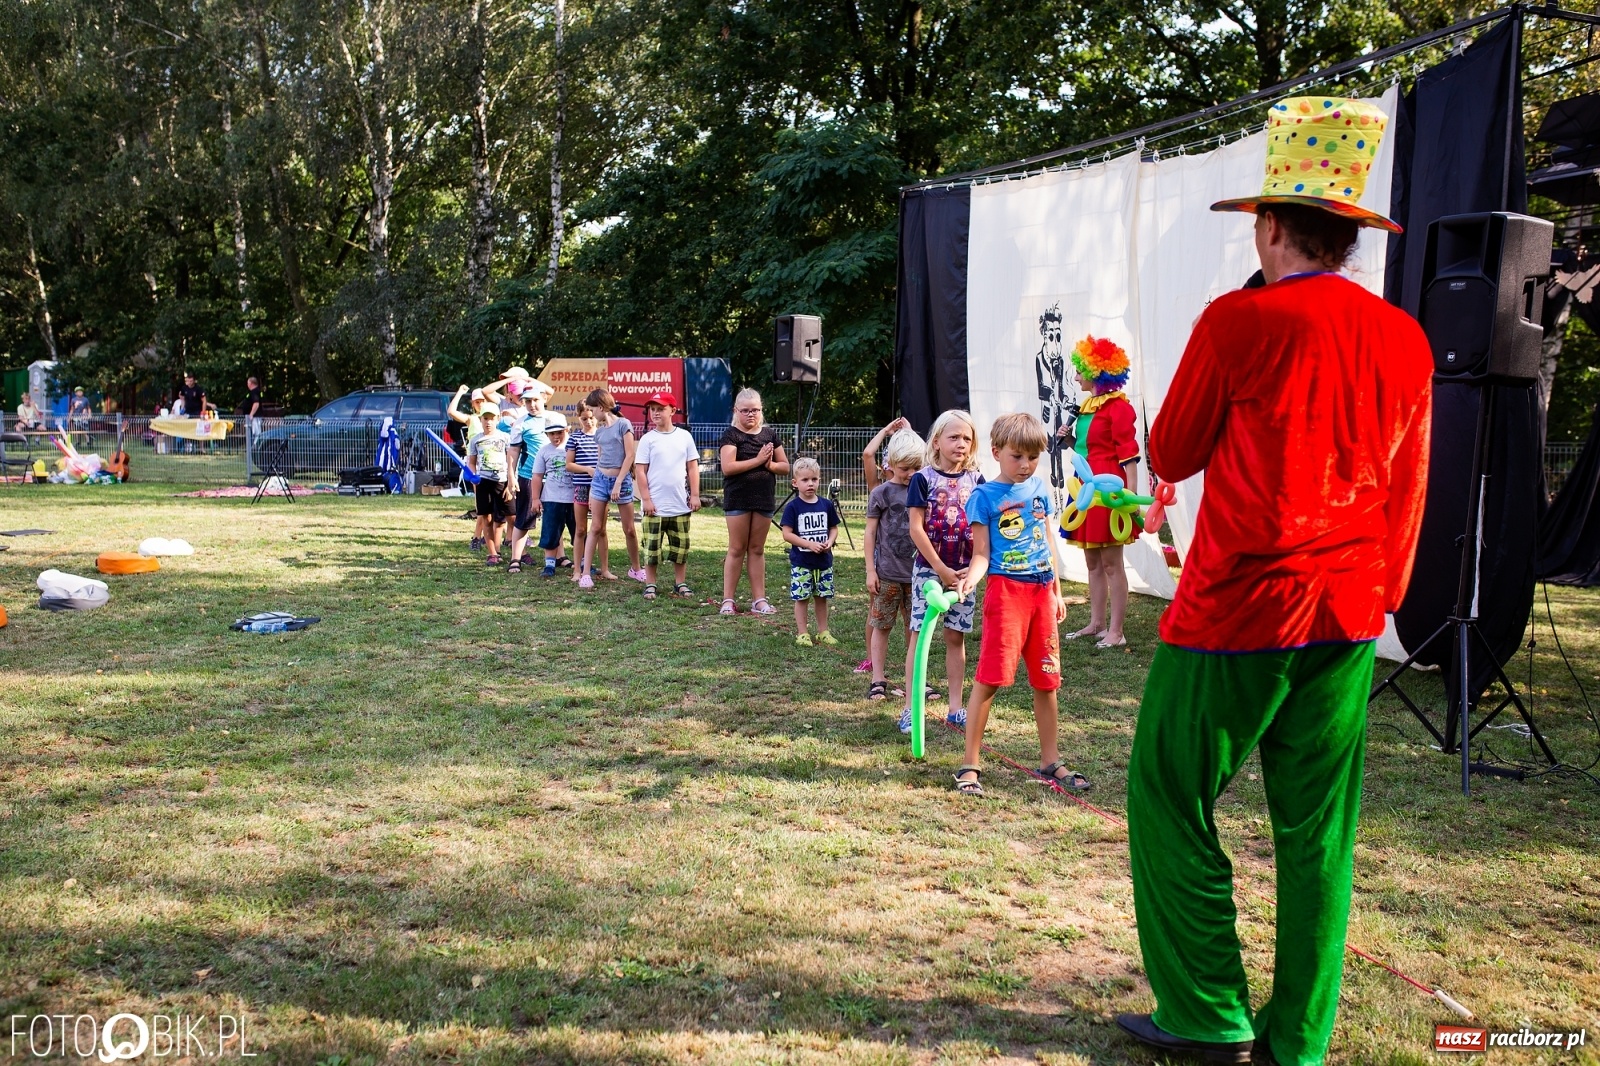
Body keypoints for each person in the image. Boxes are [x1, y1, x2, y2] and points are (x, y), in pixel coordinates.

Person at [1116, 97, 1433, 1066]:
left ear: (1267, 226)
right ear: (1345, 236)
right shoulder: (1405, 338)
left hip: (1236, 608)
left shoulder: (1236, 320)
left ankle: (1208, 1012)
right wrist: (1381, 593)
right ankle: (1296, 1041)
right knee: (1316, 832)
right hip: (1346, 610)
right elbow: (1408, 489)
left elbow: (1170, 447)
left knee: (1167, 793)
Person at [953, 412, 1087, 796]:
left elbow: (1046, 541)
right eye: (1017, 457)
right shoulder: (983, 497)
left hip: (1042, 593)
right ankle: (970, 765)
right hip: (1007, 593)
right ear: (996, 452)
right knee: (991, 679)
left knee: (1047, 680)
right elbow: (981, 554)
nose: (1026, 465)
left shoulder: (1040, 490)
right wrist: (969, 581)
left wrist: (1057, 591)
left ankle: (1050, 760)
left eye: (1032, 457)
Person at [1057, 336, 1140, 649]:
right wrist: (1067, 440)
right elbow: (1088, 447)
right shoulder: (1087, 407)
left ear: (1097, 372)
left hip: (1108, 490)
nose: (1076, 376)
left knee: (1111, 564)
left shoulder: (1119, 408)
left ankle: (1117, 631)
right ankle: (1096, 623)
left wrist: (1128, 500)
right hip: (1084, 487)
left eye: (1080, 370)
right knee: (1092, 562)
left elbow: (1129, 458)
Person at [907, 410, 984, 725]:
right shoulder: (922, 479)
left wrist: (973, 568)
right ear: (936, 441)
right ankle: (912, 710)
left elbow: (982, 527)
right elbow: (916, 528)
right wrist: (938, 567)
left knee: (956, 637)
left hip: (965, 574)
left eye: (967, 438)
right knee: (919, 636)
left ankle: (956, 709)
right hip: (929, 571)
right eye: (954, 437)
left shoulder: (977, 480)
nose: (961, 444)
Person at [864, 429, 923, 716]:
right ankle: (878, 678)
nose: (911, 473)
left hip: (918, 574)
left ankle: (916, 680)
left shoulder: (925, 488)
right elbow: (870, 532)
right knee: (882, 625)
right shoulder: (881, 492)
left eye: (917, 467)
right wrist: (870, 570)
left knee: (916, 628)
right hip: (887, 573)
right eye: (904, 468)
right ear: (890, 465)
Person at [718, 388, 790, 615]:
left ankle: (759, 599)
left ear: (762, 410)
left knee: (757, 549)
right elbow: (728, 468)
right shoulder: (731, 435)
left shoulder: (770, 435)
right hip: (738, 497)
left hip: (763, 498)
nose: (751, 414)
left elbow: (785, 467)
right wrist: (759, 460)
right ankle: (728, 600)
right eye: (746, 410)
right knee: (737, 548)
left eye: (755, 410)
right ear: (736, 411)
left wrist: (768, 465)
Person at [855, 416, 911, 670]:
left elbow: (920, 455)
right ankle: (872, 659)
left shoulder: (918, 485)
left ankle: (911, 664)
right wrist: (886, 430)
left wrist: (909, 434)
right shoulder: (878, 488)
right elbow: (868, 453)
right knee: (877, 613)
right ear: (888, 466)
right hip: (883, 562)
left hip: (909, 565)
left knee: (908, 615)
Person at [633, 392, 701, 599]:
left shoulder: (684, 437)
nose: (655, 413)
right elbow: (640, 471)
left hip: (680, 504)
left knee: (680, 547)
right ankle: (650, 583)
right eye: (652, 409)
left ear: (672, 410)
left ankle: (680, 582)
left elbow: (692, 467)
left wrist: (695, 495)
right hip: (655, 506)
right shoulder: (647, 439)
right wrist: (646, 499)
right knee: (652, 547)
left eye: (660, 409)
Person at [579, 389, 644, 588]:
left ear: (600, 407)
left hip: (621, 482)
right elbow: (600, 460)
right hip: (600, 480)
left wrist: (618, 483)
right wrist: (593, 489)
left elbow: (630, 456)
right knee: (596, 527)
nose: (591, 414)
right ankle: (585, 574)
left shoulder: (623, 425)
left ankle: (635, 569)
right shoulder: (599, 432)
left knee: (629, 529)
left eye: (592, 410)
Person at [780, 458, 840, 646]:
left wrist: (830, 541)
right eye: (805, 480)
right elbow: (787, 534)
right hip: (802, 562)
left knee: (822, 597)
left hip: (823, 562)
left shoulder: (826, 505)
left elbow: (834, 528)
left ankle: (823, 631)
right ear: (795, 483)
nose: (810, 484)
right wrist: (808, 544)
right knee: (802, 597)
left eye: (814, 479)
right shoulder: (793, 507)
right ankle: (803, 633)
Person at [521, 412, 575, 576]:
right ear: (546, 434)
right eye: (552, 433)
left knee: (578, 531)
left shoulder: (574, 447)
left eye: (560, 432)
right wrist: (536, 498)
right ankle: (549, 565)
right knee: (551, 531)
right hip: (551, 498)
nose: (556, 436)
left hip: (574, 498)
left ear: (567, 430)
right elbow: (537, 475)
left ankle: (583, 562)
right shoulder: (544, 451)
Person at [506, 383, 553, 568]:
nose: (532, 404)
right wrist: (511, 475)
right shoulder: (521, 422)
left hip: (553, 477)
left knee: (554, 518)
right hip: (528, 475)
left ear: (544, 399)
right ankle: (515, 559)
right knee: (524, 519)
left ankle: (559, 556)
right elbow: (514, 451)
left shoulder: (553, 418)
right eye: (528, 401)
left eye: (535, 400)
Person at [566, 403, 608, 582]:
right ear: (578, 418)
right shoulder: (575, 438)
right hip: (582, 487)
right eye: (584, 418)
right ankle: (577, 569)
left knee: (601, 529)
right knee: (581, 529)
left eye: (591, 417)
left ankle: (605, 569)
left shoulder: (603, 437)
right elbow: (569, 464)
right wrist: (587, 470)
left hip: (600, 488)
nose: (589, 421)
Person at [466, 412, 513, 566]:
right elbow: (471, 462)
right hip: (483, 482)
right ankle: (492, 553)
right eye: (485, 418)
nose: (488, 422)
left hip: (502, 481)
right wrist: (473, 476)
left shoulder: (505, 437)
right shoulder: (475, 440)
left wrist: (511, 481)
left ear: (497, 420)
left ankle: (505, 550)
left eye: (492, 419)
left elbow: (511, 460)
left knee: (509, 517)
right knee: (487, 518)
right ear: (480, 420)